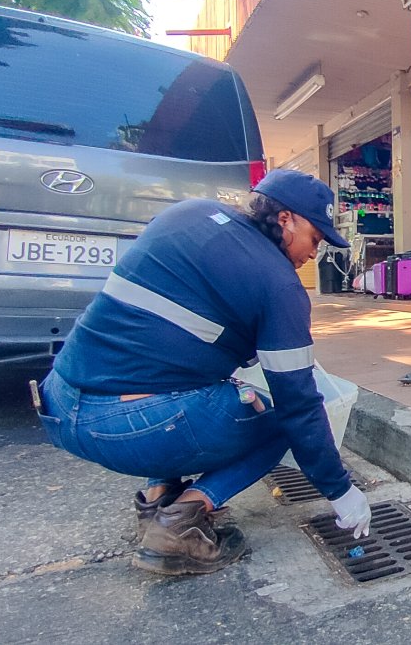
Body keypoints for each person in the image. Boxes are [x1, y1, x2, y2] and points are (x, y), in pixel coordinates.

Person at [33, 169, 372, 576]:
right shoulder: (279, 285)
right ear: (285, 219)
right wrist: (340, 490)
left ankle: (159, 499)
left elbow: (176, 324)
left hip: (57, 401)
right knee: (283, 419)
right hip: (121, 427)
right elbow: (298, 404)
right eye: (314, 239)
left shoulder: (189, 214)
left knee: (177, 378)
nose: (313, 254)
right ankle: (181, 523)